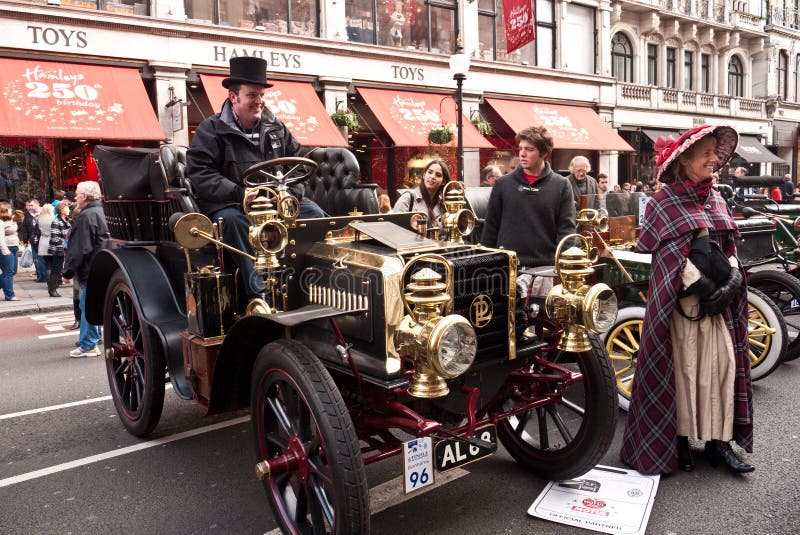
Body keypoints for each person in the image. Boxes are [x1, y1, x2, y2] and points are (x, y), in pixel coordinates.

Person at [620, 124, 754, 476]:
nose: (715, 159)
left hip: (717, 310)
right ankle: (676, 443)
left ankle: (718, 444)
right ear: (685, 160)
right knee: (682, 374)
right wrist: (706, 289)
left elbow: (730, 250)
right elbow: (669, 263)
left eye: (716, 153)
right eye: (706, 153)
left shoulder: (717, 197)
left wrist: (732, 281)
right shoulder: (664, 202)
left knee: (723, 370)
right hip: (682, 309)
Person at [187, 56, 325, 299]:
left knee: (314, 215)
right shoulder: (211, 129)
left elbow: (298, 165)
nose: (259, 101)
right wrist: (240, 194)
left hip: (276, 205)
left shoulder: (277, 128)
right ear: (233, 97)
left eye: (261, 95)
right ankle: (259, 294)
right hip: (235, 206)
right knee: (233, 222)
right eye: (252, 95)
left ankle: (306, 284)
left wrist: (288, 195)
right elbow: (201, 174)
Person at [481, 126, 576, 267]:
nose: (522, 154)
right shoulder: (502, 183)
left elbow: (566, 230)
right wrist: (485, 265)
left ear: (544, 153)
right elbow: (490, 228)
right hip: (507, 267)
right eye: (520, 149)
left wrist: (563, 265)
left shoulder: (561, 184)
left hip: (546, 268)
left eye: (529, 149)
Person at [62, 181, 109, 358]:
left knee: (87, 305)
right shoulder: (102, 211)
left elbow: (80, 247)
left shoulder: (86, 216)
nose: (75, 196)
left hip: (91, 268)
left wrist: (68, 271)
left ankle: (89, 344)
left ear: (84, 196)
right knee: (97, 305)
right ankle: (93, 340)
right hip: (103, 265)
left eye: (77, 193)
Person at [391, 160, 449, 229]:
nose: (432, 177)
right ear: (424, 175)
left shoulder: (443, 204)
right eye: (430, 172)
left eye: (438, 175)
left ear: (443, 181)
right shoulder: (408, 198)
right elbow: (395, 228)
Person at [36, 204, 61, 297]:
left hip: (43, 242)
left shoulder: (39, 219)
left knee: (48, 266)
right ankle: (53, 288)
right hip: (53, 242)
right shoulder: (54, 219)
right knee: (55, 266)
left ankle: (50, 287)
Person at [47, 201, 70, 298]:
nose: (69, 210)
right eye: (67, 208)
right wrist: (65, 245)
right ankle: (52, 290)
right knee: (56, 269)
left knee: (59, 269)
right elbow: (55, 238)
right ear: (61, 210)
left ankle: (54, 288)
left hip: (64, 248)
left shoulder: (67, 220)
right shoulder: (56, 221)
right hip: (59, 249)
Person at [19, 198, 44, 283]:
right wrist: (25, 241)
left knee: (44, 258)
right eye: (28, 205)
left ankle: (46, 275)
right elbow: (25, 228)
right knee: (36, 259)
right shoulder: (28, 214)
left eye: (31, 205)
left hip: (44, 239)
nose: (29, 207)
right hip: (33, 241)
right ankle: (40, 276)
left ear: (37, 205)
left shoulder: (44, 212)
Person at [0, 200, 21, 301]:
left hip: (14, 247)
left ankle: (7, 290)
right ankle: (10, 295)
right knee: (8, 272)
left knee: (12, 271)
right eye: (9, 208)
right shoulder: (0, 222)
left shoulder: (11, 220)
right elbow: (0, 239)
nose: (11, 209)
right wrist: (5, 251)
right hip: (6, 249)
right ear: (4, 210)